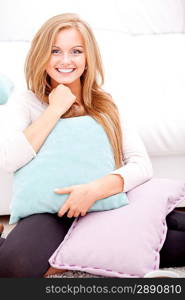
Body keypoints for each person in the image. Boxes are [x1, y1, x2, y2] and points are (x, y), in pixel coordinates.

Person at [0, 13, 155, 277]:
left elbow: (141, 164)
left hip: (101, 205)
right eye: (55, 51)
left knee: (174, 238)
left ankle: (69, 257)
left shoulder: (106, 104)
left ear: (87, 57)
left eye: (76, 51)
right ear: (42, 55)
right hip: (49, 213)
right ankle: (71, 258)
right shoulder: (26, 102)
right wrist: (55, 109)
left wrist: (93, 190)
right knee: (14, 267)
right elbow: (7, 159)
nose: (65, 60)